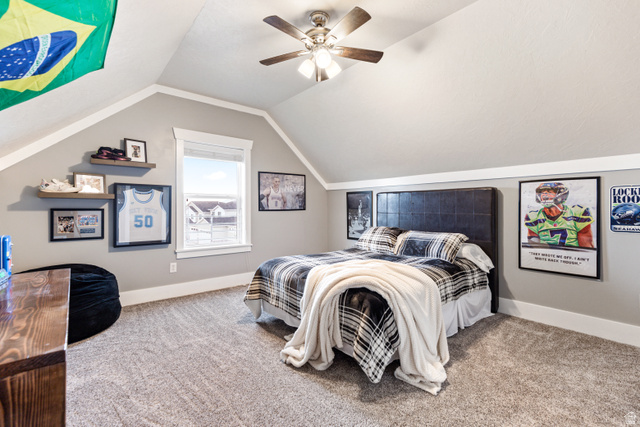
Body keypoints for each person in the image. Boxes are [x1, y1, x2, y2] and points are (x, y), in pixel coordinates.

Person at [524, 182, 594, 247]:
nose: (544, 195)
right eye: (542, 192)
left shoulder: (577, 213)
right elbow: (534, 248)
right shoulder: (534, 217)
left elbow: (586, 248)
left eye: (549, 192)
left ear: (561, 195)